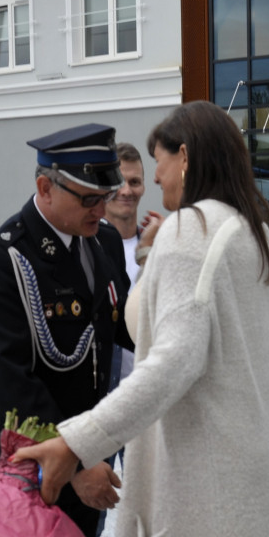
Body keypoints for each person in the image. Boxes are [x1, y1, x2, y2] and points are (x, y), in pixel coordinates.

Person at [14, 103, 269, 537]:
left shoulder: (191, 228)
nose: (155, 176)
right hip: (248, 455)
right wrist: (150, 258)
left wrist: (79, 440)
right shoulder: (248, 225)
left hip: (202, 466)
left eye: (158, 161)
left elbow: (174, 360)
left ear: (185, 157)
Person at [0, 123, 133, 537]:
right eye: (89, 198)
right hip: (29, 454)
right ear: (45, 187)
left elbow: (124, 325)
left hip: (88, 445)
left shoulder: (104, 240)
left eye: (106, 195)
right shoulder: (1, 257)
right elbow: (7, 375)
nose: (103, 208)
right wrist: (75, 459)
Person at [102, 141, 148, 391]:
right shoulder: (87, 249)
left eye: (134, 182)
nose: (126, 191)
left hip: (146, 390)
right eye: (119, 182)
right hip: (101, 395)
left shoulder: (159, 247)